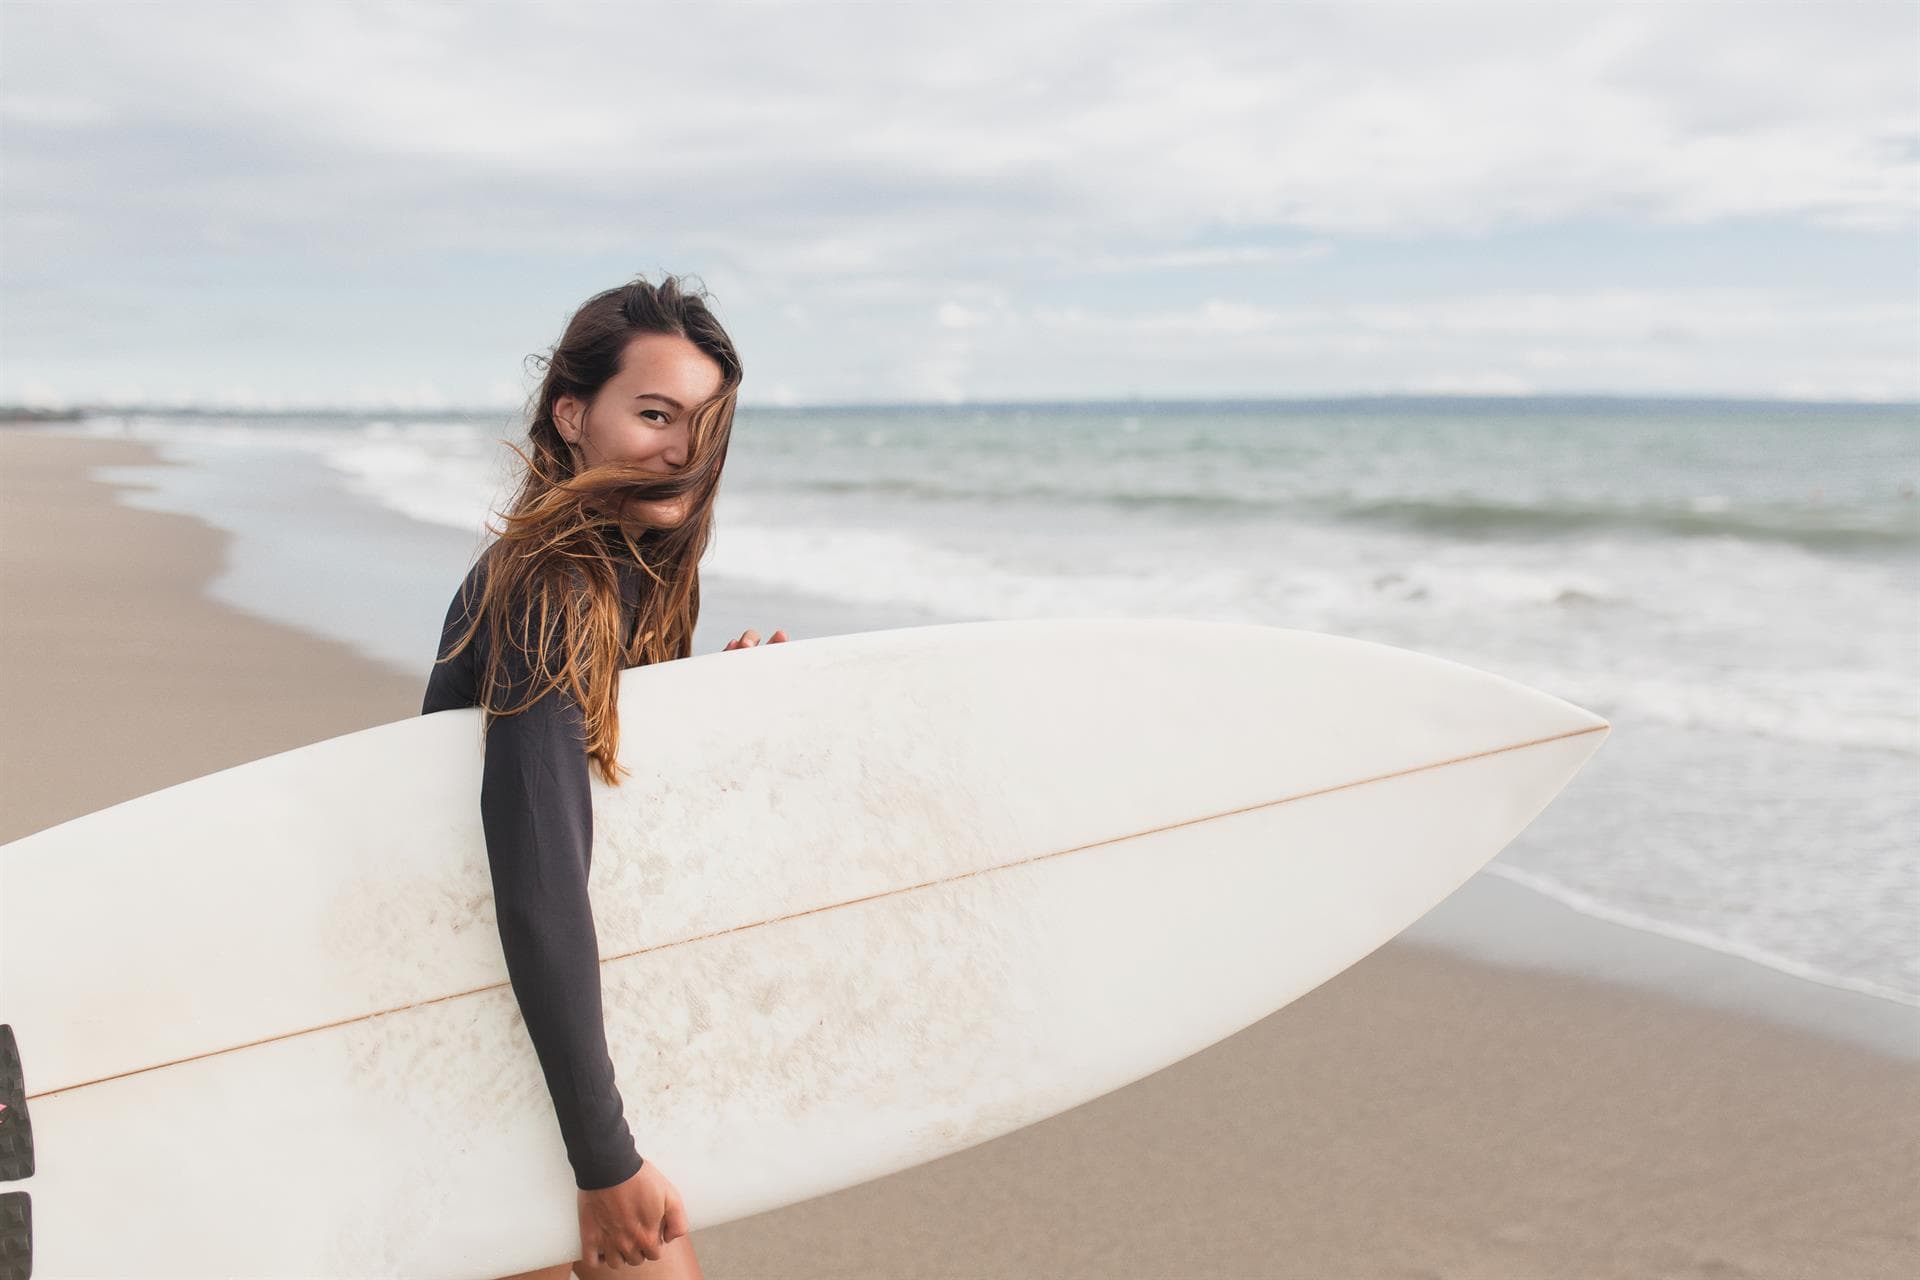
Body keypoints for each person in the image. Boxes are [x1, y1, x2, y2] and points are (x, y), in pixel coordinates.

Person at [422, 275, 788, 1278]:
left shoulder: (626, 574)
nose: (682, 449)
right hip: (497, 1042)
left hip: (519, 1034)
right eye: (656, 413)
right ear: (572, 412)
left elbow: (599, 807)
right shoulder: (556, 584)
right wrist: (603, 1159)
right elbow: (540, 882)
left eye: (703, 426)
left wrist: (706, 713)